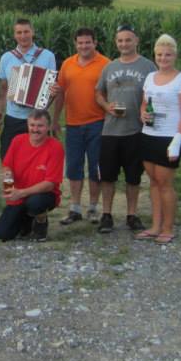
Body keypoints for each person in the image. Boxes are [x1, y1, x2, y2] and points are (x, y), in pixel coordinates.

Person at [94, 24, 157, 234]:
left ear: (136, 41)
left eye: (128, 40)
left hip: (136, 130)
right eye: (120, 40)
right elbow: (98, 92)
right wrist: (106, 106)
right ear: (116, 43)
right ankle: (106, 215)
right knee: (107, 176)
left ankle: (132, 215)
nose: (124, 44)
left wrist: (148, 111)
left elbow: (156, 92)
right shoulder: (109, 67)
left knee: (133, 176)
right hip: (110, 130)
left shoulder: (148, 66)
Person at [50, 27, 110, 225]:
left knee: (95, 166)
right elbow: (60, 92)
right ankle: (75, 207)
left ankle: (93, 207)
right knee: (74, 166)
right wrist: (55, 119)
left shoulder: (106, 64)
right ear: (75, 44)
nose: (84, 46)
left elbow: (112, 93)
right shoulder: (68, 64)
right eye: (80, 43)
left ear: (95, 43)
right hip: (73, 124)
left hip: (98, 123)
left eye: (88, 42)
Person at [137, 34, 181, 244]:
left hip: (170, 136)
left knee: (165, 182)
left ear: (175, 56)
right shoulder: (150, 77)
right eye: (160, 54)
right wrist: (143, 114)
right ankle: (155, 225)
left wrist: (177, 141)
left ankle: (168, 228)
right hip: (149, 134)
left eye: (168, 54)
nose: (163, 58)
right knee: (153, 181)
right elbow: (144, 103)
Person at [0, 110, 65, 242]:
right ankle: (27, 222)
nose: (35, 129)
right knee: (2, 234)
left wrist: (21, 193)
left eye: (40, 126)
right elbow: (6, 166)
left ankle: (41, 223)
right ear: (27, 125)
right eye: (32, 125)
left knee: (35, 203)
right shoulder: (17, 140)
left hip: (43, 195)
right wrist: (8, 181)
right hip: (19, 195)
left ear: (48, 127)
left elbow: (50, 184)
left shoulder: (55, 147)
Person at [0, 18, 57, 160]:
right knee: (8, 159)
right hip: (13, 117)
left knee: (38, 161)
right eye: (19, 32)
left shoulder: (47, 56)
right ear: (14, 35)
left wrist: (50, 98)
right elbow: (3, 89)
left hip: (38, 119)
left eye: (26, 31)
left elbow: (51, 90)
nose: (23, 36)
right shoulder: (6, 58)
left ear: (32, 32)